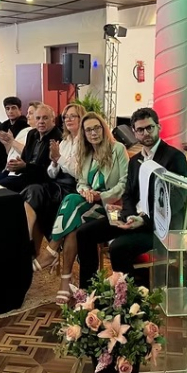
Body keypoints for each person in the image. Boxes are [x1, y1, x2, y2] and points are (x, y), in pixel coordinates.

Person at [76, 107, 187, 288]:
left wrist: (143, 220)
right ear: (134, 133)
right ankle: (88, 290)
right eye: (140, 130)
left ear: (158, 127)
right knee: (84, 233)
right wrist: (128, 215)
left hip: (159, 225)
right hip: (134, 218)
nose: (146, 133)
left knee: (118, 247)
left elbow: (176, 200)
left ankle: (129, 297)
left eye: (150, 127)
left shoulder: (174, 157)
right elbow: (128, 194)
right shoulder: (135, 161)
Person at [33, 112, 128, 304]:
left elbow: (125, 183)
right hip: (90, 204)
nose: (93, 133)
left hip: (114, 208)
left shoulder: (118, 149)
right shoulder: (86, 153)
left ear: (104, 128)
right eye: (88, 130)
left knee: (71, 204)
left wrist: (101, 195)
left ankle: (52, 252)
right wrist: (86, 192)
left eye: (97, 128)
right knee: (74, 215)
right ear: (83, 133)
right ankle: (65, 279)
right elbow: (81, 182)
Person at [21, 103, 85, 254]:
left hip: (73, 187)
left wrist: (59, 159)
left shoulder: (85, 142)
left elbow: (79, 173)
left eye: (73, 116)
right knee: (33, 195)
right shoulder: (65, 141)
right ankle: (31, 249)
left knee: (34, 191)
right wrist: (55, 162)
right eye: (66, 117)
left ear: (81, 118)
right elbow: (51, 173)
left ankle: (26, 244)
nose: (68, 119)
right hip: (56, 184)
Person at [0, 104, 62, 191]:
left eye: (45, 118)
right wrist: (15, 164)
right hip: (25, 175)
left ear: (53, 119)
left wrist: (25, 167)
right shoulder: (32, 134)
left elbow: (48, 171)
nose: (41, 121)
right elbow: (24, 158)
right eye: (38, 118)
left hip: (42, 181)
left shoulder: (57, 137)